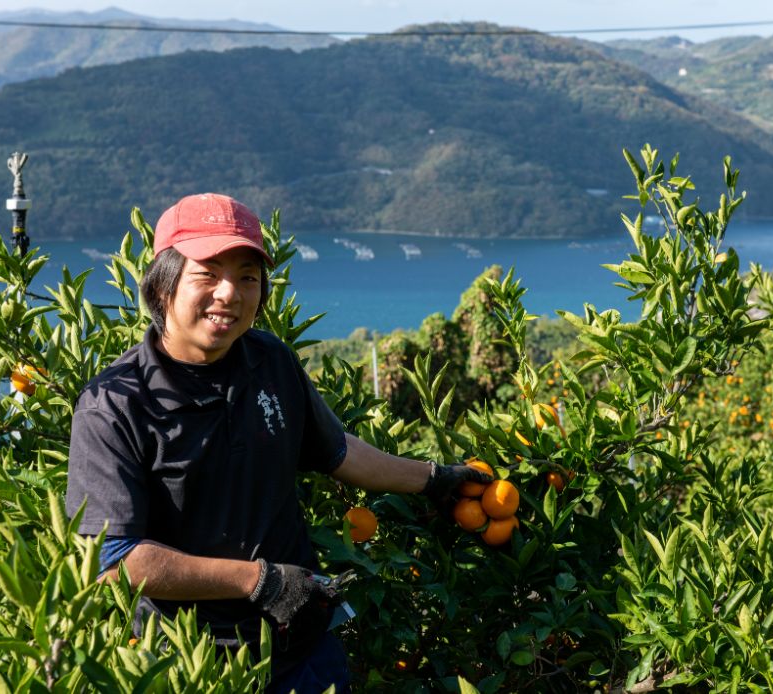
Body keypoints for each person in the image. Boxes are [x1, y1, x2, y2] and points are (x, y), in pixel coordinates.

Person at [65, 193, 489, 692]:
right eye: (208, 273)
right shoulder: (114, 404)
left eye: (247, 276)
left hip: (303, 649)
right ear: (163, 287)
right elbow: (116, 561)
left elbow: (338, 451)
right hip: (194, 668)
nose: (230, 293)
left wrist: (435, 480)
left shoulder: (269, 360)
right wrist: (258, 580)